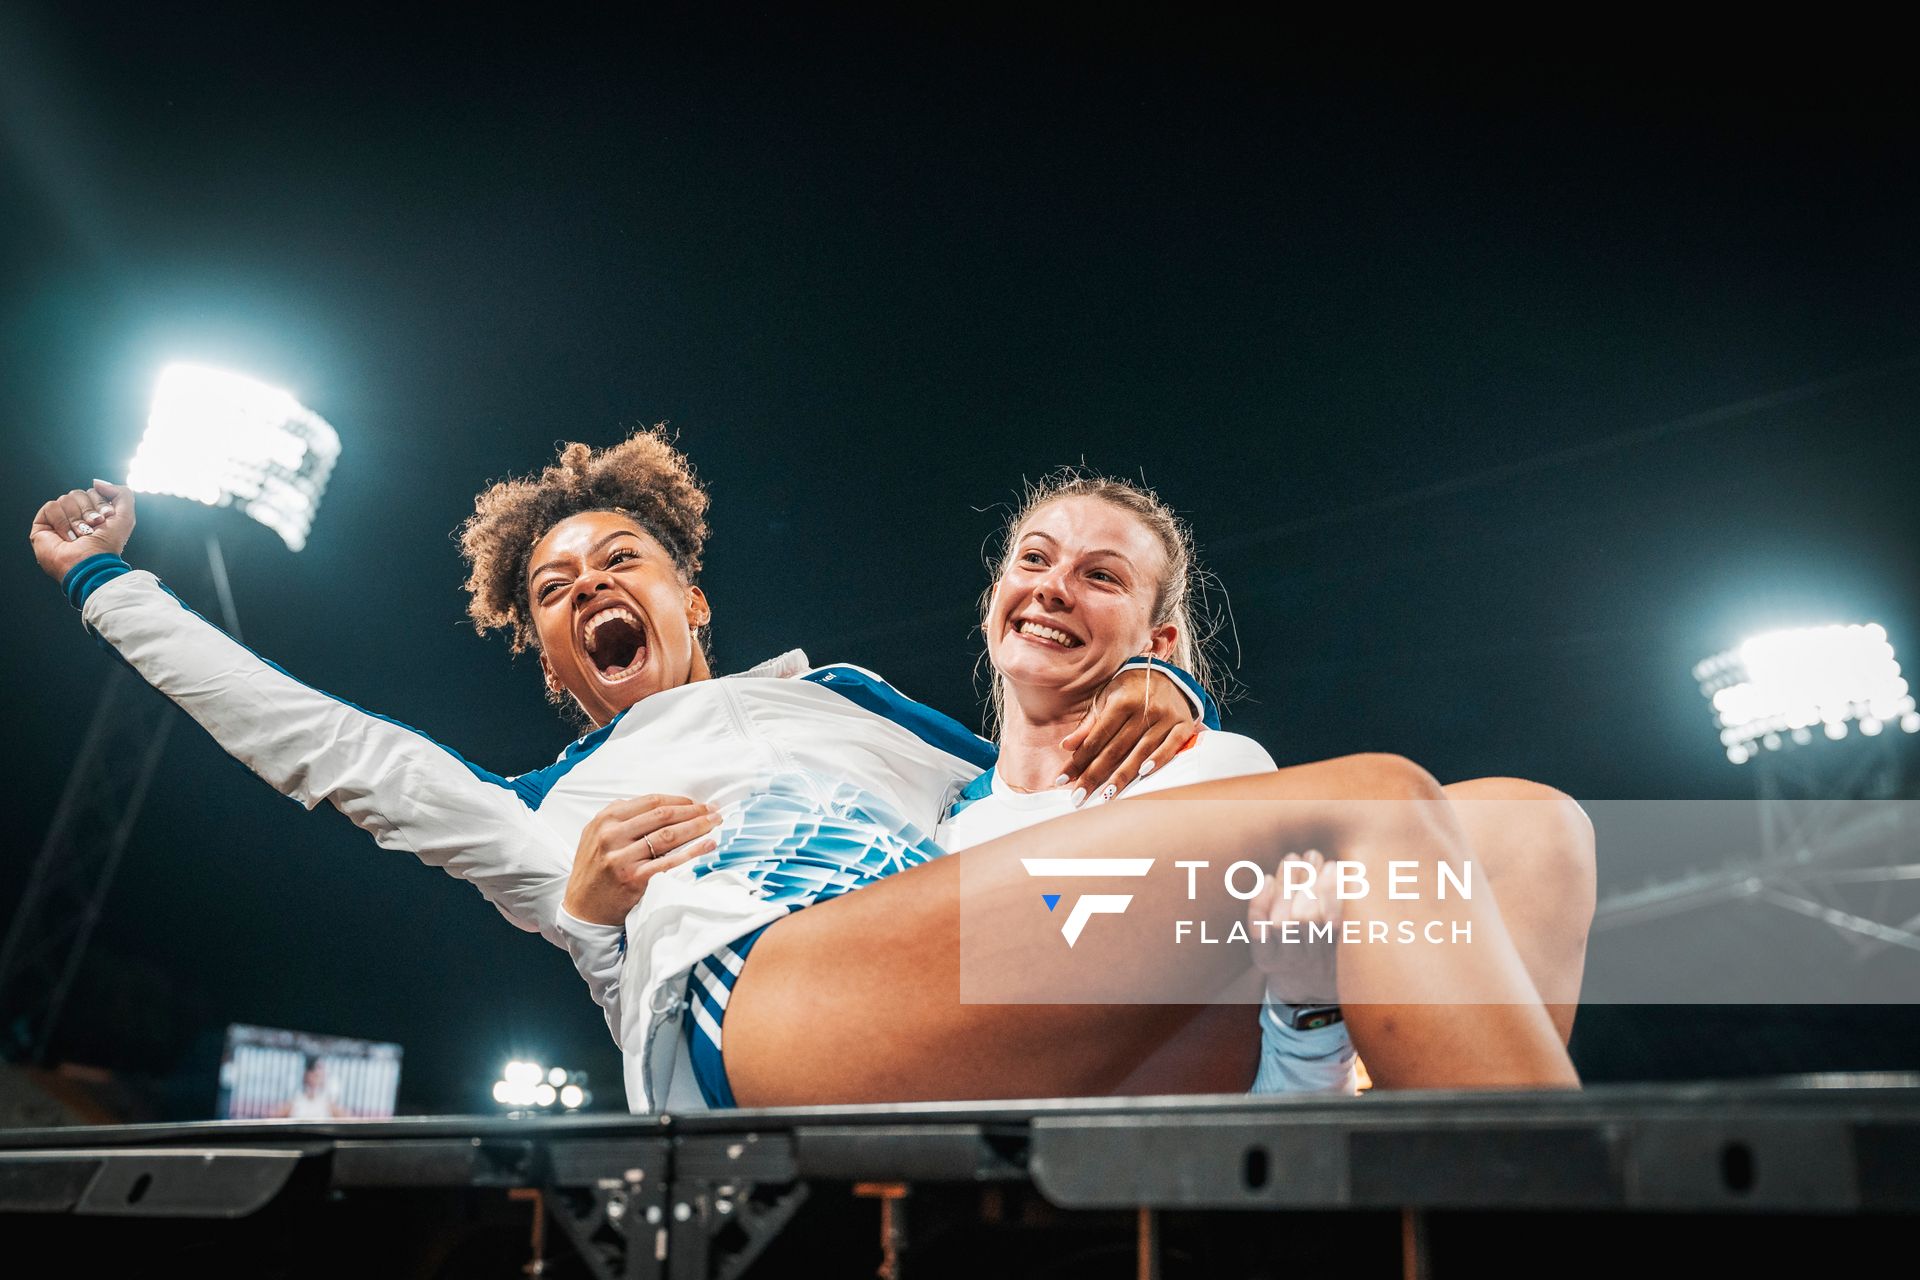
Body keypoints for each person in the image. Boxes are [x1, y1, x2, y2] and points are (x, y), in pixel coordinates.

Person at [32, 430, 1577, 1112]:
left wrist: (1160, 669)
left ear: (693, 595)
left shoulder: (856, 712)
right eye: (554, 592)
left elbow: (1059, 768)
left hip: (981, 983)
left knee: (1523, 831)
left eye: (616, 559)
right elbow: (325, 748)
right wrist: (114, 587)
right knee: (1372, 808)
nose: (586, 590)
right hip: (772, 1009)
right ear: (553, 655)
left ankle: (1397, 1167)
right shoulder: (550, 815)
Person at [924, 472, 1596, 1097]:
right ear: (995, 597)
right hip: (988, 1140)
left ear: (1157, 645)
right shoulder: (927, 810)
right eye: (1035, 559)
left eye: (1101, 575)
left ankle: (1493, 1184)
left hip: (1196, 1164)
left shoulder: (1209, 772)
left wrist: (1308, 1001)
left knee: (1533, 821)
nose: (1054, 587)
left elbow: (1273, 1097)